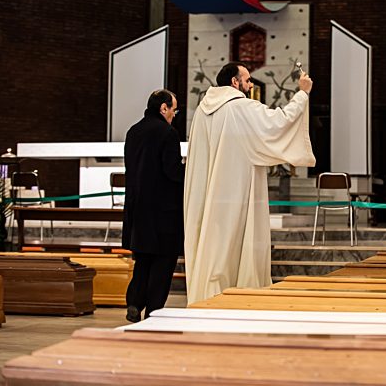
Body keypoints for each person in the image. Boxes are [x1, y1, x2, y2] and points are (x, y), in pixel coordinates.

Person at [184, 62, 315, 305]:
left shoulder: (202, 111)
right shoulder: (241, 106)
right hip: (237, 189)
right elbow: (280, 122)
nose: (250, 84)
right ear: (234, 82)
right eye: (247, 79)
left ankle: (207, 297)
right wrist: (302, 92)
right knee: (238, 246)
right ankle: (242, 296)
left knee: (214, 247)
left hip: (210, 194)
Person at [122, 89, 185, 322]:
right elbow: (172, 172)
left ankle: (134, 303)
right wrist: (191, 172)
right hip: (163, 211)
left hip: (138, 209)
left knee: (144, 260)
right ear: (163, 108)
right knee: (162, 262)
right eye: (173, 110)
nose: (174, 115)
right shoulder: (167, 133)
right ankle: (154, 311)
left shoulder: (133, 131)